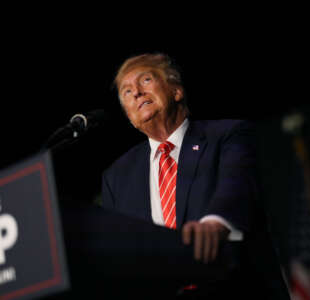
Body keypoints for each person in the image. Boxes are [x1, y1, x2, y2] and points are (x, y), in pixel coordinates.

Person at [101, 53, 289, 298]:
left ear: (176, 91)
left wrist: (215, 223)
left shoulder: (227, 135)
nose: (136, 92)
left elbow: (237, 188)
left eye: (145, 80)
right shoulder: (117, 177)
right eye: (126, 92)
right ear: (128, 115)